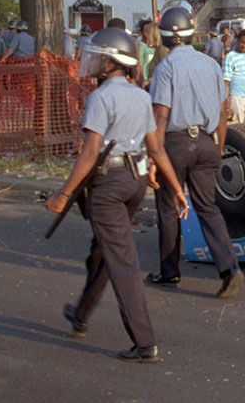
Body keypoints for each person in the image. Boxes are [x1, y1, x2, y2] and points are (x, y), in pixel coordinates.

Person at [46, 27, 189, 365]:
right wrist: (177, 189)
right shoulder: (140, 94)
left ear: (111, 62)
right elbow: (156, 149)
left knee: (121, 261)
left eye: (97, 57)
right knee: (104, 251)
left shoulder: (100, 98)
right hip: (134, 183)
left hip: (108, 185)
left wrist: (63, 195)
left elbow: (89, 152)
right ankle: (81, 313)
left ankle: (145, 343)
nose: (90, 62)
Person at [146, 6, 245, 297]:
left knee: (167, 206)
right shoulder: (212, 65)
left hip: (175, 144)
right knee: (208, 207)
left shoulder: (166, 67)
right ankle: (229, 270)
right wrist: (219, 148)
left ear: (164, 36)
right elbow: (223, 114)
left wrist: (155, 157)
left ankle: (170, 273)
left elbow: (161, 117)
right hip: (206, 142)